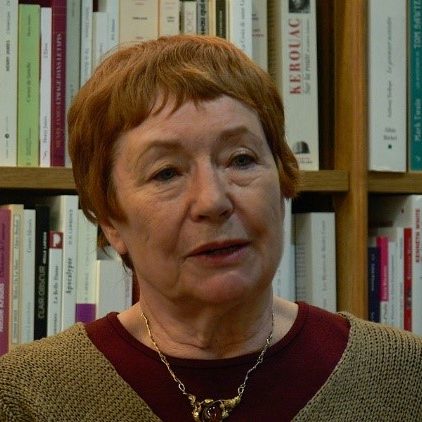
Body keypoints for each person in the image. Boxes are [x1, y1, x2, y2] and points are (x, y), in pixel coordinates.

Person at [0, 35, 421, 422]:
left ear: (283, 181)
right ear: (111, 220)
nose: (213, 201)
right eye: (166, 173)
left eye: (241, 159)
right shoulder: (26, 396)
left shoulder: (404, 376)